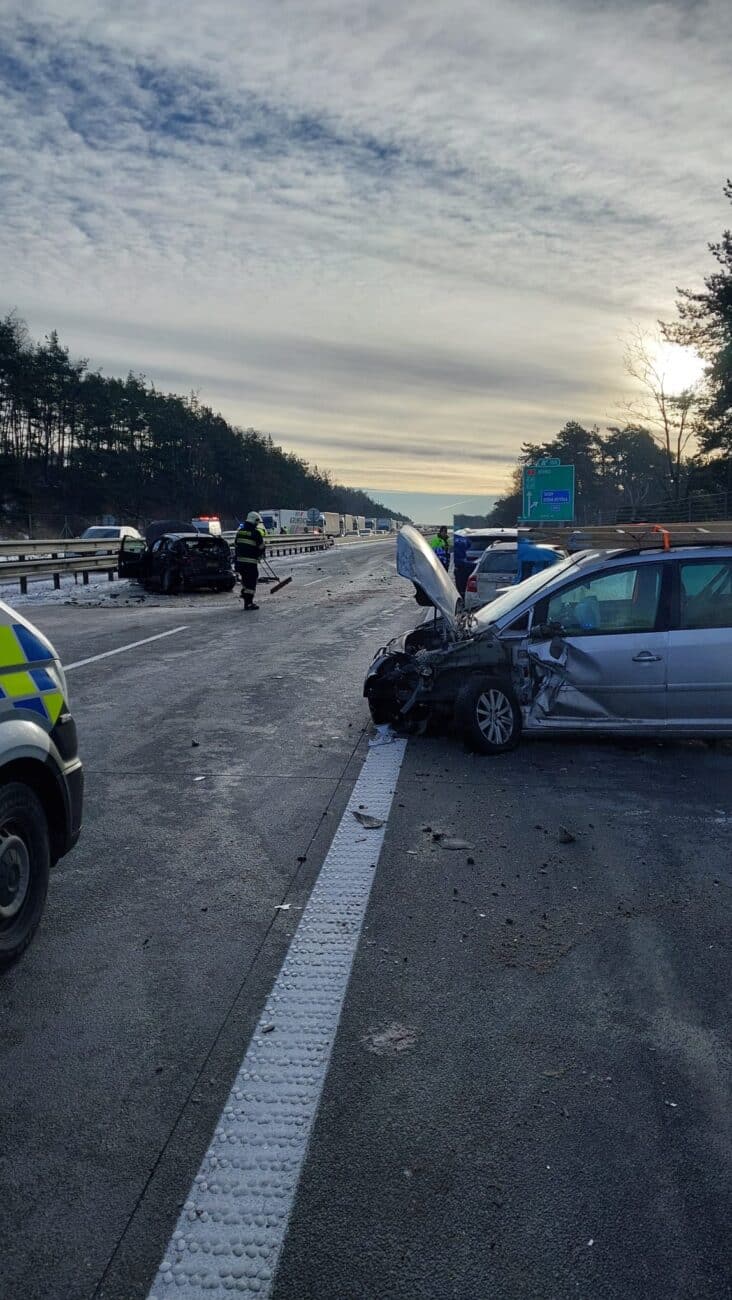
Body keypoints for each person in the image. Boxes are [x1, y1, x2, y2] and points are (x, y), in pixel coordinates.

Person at [235, 512, 266, 608]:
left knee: (245, 580)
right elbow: (261, 547)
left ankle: (245, 593)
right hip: (250, 563)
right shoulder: (255, 533)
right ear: (254, 521)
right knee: (251, 582)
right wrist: (259, 555)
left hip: (239, 562)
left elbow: (236, 545)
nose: (257, 524)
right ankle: (248, 602)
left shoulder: (240, 532)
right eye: (257, 522)